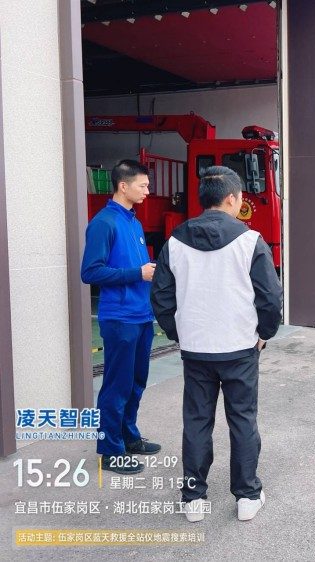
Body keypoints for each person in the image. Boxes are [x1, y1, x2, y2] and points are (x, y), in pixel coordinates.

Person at [151, 166, 282, 523]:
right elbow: (270, 297)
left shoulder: (175, 242)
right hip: (239, 347)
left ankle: (193, 499)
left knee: (197, 421)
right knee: (242, 419)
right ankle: (247, 496)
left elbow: (161, 297)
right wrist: (264, 334)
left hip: (196, 349)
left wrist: (179, 333)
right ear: (232, 199)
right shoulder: (250, 241)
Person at [81, 160, 162, 475]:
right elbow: (90, 272)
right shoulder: (104, 223)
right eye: (143, 185)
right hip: (119, 318)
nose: (147, 191)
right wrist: (137, 273)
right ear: (123, 186)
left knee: (136, 382)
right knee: (117, 386)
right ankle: (110, 451)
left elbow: (137, 268)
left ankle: (129, 436)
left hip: (141, 316)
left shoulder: (133, 222)